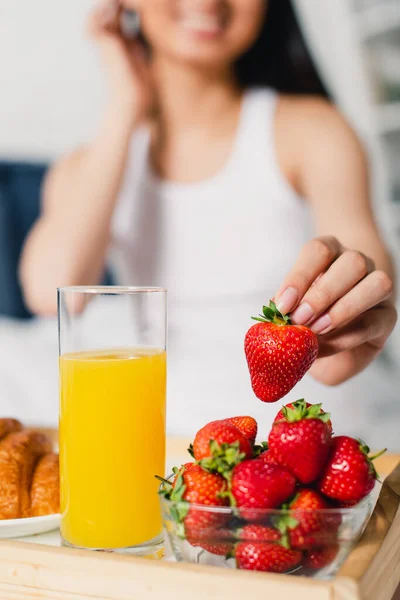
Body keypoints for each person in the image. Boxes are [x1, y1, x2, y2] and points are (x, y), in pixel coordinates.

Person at [20, 0, 397, 441]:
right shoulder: (96, 161)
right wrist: (125, 103)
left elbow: (367, 267)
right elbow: (52, 292)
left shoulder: (313, 131)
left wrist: (355, 306)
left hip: (308, 440)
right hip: (174, 446)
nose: (207, 2)